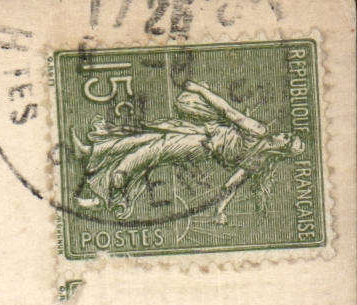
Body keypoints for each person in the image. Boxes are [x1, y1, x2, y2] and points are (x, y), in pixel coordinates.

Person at [72, 80, 304, 223]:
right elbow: (228, 114)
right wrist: (200, 91)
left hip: (202, 145)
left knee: (157, 148)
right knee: (148, 136)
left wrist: (219, 210)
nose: (284, 134)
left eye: (287, 138)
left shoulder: (258, 146)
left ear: (282, 148)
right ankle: (92, 152)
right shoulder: (260, 144)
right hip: (203, 130)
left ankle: (111, 188)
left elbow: (231, 184)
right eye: (288, 134)